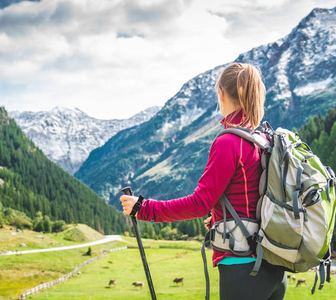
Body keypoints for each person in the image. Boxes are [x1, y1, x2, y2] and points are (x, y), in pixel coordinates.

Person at [120, 63, 287, 300]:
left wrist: (143, 208)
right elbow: (253, 198)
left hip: (243, 268)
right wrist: (220, 217)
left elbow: (198, 204)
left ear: (221, 93)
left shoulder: (229, 142)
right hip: (274, 267)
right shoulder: (262, 140)